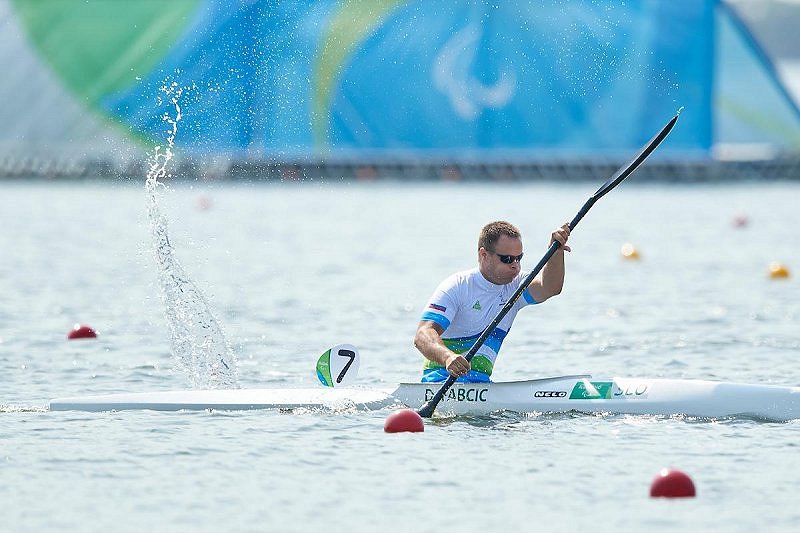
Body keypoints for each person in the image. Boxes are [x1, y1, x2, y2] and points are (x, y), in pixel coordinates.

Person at [414, 220, 571, 383]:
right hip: (440, 382)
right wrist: (448, 357)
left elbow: (550, 287)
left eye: (519, 258)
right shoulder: (458, 286)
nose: (515, 266)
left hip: (482, 385)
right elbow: (422, 334)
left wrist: (556, 252)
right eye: (507, 259)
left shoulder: (516, 286)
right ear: (484, 255)